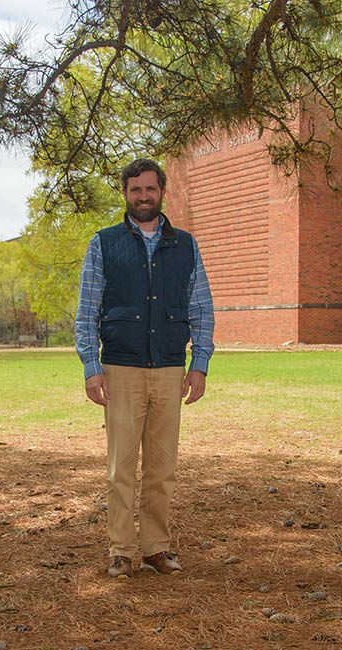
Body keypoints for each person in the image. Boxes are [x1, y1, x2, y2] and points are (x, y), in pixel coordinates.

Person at [76, 158, 215, 579]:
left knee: (162, 467)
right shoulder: (104, 243)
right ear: (125, 194)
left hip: (171, 368)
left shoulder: (186, 245)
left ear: (162, 192)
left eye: (149, 189)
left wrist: (200, 363)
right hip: (120, 368)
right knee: (121, 467)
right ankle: (121, 549)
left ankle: (157, 547)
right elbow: (87, 311)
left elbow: (201, 308)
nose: (143, 196)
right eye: (135, 190)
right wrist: (90, 365)